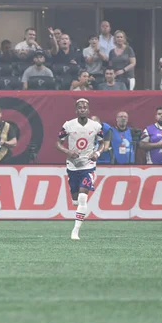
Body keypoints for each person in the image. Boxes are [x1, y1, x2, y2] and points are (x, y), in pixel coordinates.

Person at [56, 98, 104, 240]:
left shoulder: (96, 126)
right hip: (72, 166)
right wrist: (68, 152)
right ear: (76, 110)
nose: (82, 109)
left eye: (85, 107)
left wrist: (97, 153)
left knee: (83, 197)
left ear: (88, 110)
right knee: (76, 199)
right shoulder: (68, 125)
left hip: (88, 166)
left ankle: (75, 231)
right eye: (80, 107)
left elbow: (102, 144)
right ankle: (76, 203)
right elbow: (57, 143)